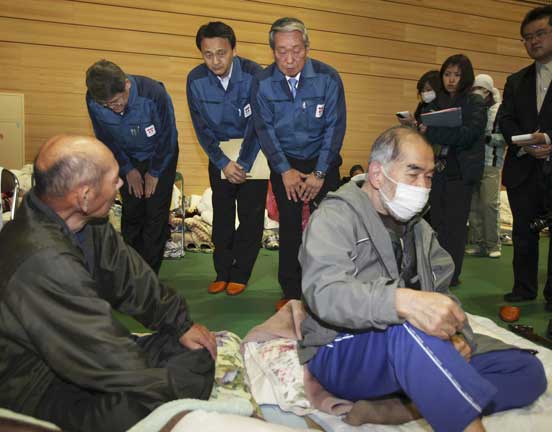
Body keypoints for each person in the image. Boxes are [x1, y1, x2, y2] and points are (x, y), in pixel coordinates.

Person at [0, 135, 217, 432]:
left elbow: (130, 277)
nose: (120, 186)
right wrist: (157, 385)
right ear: (85, 195)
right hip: (20, 393)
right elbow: (104, 353)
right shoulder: (43, 259)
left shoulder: (84, 222)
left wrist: (179, 323)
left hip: (66, 359)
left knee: (192, 353)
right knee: (168, 388)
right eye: (114, 180)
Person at [299, 126, 546, 432]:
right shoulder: (334, 218)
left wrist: (460, 337)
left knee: (525, 370)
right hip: (341, 348)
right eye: (413, 173)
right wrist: (403, 301)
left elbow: (442, 296)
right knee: (410, 329)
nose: (423, 186)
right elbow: (324, 292)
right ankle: (441, 401)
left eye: (429, 177)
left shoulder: (420, 230)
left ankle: (406, 407)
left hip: (411, 347)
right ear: (377, 174)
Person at [252, 17, 346, 309]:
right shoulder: (262, 82)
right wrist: (284, 170)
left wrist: (320, 172)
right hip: (286, 162)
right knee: (290, 226)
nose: (289, 59)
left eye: (296, 50)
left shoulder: (328, 77)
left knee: (327, 227)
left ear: (307, 47)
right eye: (281, 51)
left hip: (323, 159)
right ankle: (291, 291)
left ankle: (328, 286)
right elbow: (264, 129)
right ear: (273, 51)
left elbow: (335, 126)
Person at [187, 22, 267, 296]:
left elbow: (260, 122)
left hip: (253, 155)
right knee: (222, 216)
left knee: (251, 217)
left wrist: (242, 162)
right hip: (220, 157)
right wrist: (223, 162)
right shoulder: (195, 80)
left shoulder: (255, 74)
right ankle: (222, 271)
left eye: (221, 53)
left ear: (234, 49)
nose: (215, 61)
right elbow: (200, 127)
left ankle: (241, 273)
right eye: (208, 54)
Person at [86, 60, 179, 274]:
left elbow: (168, 136)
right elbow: (105, 138)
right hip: (125, 157)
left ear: (127, 85)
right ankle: (130, 268)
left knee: (155, 212)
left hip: (160, 155)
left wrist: (155, 172)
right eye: (107, 105)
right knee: (133, 209)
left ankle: (148, 274)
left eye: (118, 101)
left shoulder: (154, 93)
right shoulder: (93, 100)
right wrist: (128, 169)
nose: (115, 108)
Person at [498, 5, 552, 311]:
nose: (533, 41)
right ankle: (524, 287)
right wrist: (525, 143)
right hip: (523, 165)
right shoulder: (516, 80)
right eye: (527, 38)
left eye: (540, 34)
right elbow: (504, 119)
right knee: (523, 232)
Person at [422, 54, 487, 286]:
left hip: (460, 171)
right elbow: (425, 126)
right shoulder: (437, 101)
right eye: (447, 74)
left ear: (465, 77)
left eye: (456, 75)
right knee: (437, 223)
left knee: (455, 227)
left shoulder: (475, 101)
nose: (451, 79)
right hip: (437, 169)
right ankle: (435, 268)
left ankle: (452, 275)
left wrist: (432, 131)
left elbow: (467, 135)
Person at [466, 74, 506, 259]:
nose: (477, 92)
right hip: (473, 163)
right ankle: (478, 243)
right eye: (475, 88)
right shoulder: (473, 108)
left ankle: (493, 244)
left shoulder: (500, 110)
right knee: (474, 204)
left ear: (489, 92)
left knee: (489, 204)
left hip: (491, 163)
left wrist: (487, 138)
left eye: (481, 89)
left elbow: (507, 137)